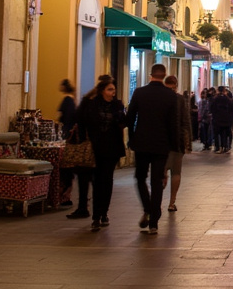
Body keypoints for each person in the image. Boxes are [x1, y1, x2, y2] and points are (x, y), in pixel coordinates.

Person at [126, 63, 179, 235]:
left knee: (140, 178)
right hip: (161, 145)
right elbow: (173, 124)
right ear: (164, 75)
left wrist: (132, 138)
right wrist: (174, 145)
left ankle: (148, 208)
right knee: (157, 181)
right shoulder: (170, 97)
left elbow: (130, 118)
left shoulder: (140, 93)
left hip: (141, 143)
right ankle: (154, 223)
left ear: (150, 74)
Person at [76, 74, 127, 229]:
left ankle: (104, 212)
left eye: (114, 89)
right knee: (97, 181)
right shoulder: (92, 104)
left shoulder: (117, 105)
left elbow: (124, 123)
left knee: (107, 180)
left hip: (112, 148)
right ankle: (96, 215)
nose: (113, 92)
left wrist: (121, 117)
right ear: (102, 90)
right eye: (110, 89)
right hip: (95, 148)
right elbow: (81, 119)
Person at [163, 75, 192, 212]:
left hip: (161, 142)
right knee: (176, 173)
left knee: (161, 172)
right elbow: (186, 121)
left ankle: (157, 199)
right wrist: (188, 142)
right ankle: (172, 202)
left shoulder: (160, 98)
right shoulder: (180, 99)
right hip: (177, 142)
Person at [57, 78, 78, 206]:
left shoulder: (67, 101)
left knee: (65, 167)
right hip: (69, 134)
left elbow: (63, 117)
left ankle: (64, 195)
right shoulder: (72, 100)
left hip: (66, 135)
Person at [211, 86, 233, 153]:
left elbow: (212, 109)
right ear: (224, 91)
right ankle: (224, 146)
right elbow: (232, 108)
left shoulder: (215, 99)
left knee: (217, 134)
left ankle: (218, 147)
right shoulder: (228, 99)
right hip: (226, 120)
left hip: (217, 119)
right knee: (225, 134)